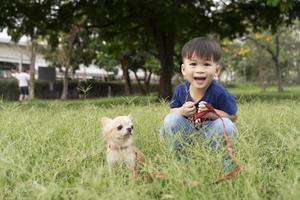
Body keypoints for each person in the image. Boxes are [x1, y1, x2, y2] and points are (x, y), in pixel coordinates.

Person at [160, 37, 240, 176]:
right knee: (170, 120)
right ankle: (178, 163)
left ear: (217, 70)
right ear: (184, 69)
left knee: (226, 125)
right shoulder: (181, 90)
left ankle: (224, 165)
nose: (200, 70)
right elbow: (172, 110)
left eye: (206, 64)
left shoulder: (219, 92)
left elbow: (233, 116)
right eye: (193, 64)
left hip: (209, 134)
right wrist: (182, 111)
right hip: (188, 132)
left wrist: (211, 113)